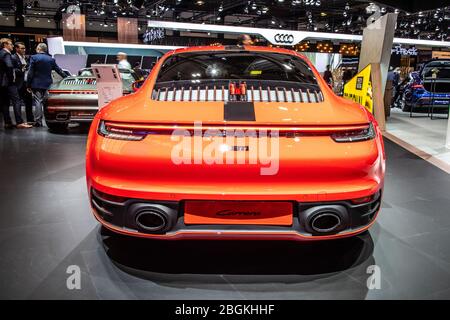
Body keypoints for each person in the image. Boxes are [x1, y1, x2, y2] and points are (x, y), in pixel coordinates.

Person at [27, 43, 67, 127]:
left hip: (36, 84)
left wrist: (28, 84)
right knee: (46, 102)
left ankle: (38, 121)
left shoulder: (34, 57)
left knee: (38, 102)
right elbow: (58, 70)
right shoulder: (50, 59)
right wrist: (67, 78)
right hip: (48, 84)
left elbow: (30, 73)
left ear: (38, 48)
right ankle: (48, 120)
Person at [0, 38, 32, 129]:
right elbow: (9, 66)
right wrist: (12, 78)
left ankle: (7, 122)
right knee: (16, 101)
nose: (12, 46)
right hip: (9, 82)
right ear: (5, 44)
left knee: (5, 103)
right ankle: (19, 122)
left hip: (2, 83)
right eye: (10, 44)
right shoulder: (6, 54)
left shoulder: (0, 53)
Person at [12, 42, 34, 124]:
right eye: (22, 48)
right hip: (18, 84)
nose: (24, 50)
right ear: (16, 49)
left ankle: (30, 119)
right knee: (17, 103)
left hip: (26, 84)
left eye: (24, 48)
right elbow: (12, 69)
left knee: (29, 102)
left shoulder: (27, 58)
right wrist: (21, 70)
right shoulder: (13, 57)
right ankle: (19, 121)